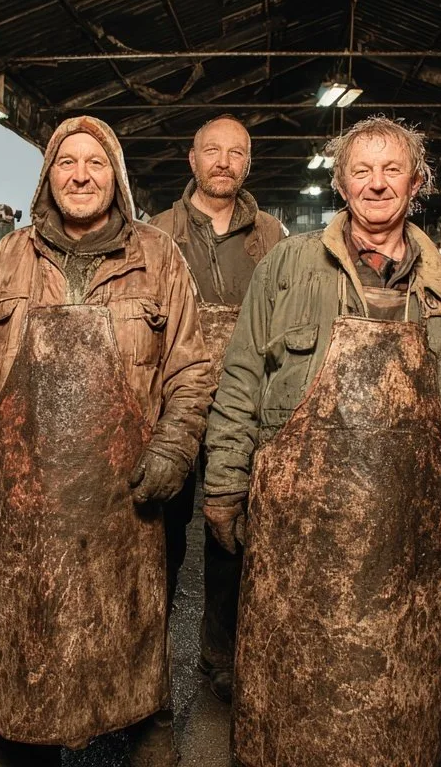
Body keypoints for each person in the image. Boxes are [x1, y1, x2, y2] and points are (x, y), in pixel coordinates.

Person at [206, 116, 441, 767]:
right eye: (362, 170)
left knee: (394, 700)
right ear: (341, 183)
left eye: (392, 169)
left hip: (407, 540)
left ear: (417, 182)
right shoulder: (288, 268)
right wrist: (226, 482)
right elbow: (239, 379)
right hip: (297, 533)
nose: (377, 184)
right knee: (289, 696)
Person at [0, 115, 212, 767]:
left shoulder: (158, 258)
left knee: (127, 621)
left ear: (113, 176)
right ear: (49, 177)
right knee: (29, 629)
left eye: (94, 162)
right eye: (68, 163)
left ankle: (145, 718)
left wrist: (174, 447)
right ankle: (22, 732)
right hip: (26, 497)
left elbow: (193, 367)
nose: (81, 174)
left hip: (124, 494)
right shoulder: (10, 258)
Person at [145, 114, 285, 702]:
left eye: (236, 153)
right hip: (171, 403)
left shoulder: (273, 239)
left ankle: (220, 650)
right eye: (212, 151)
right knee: (160, 535)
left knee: (233, 535)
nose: (224, 161)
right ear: (192, 158)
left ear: (248, 163)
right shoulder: (155, 233)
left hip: (246, 407)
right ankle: (147, 655)